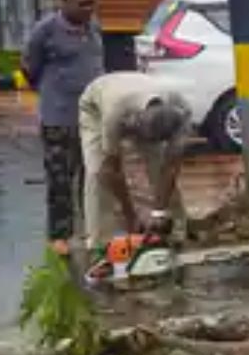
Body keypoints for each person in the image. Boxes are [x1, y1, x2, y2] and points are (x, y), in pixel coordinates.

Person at [22, 0, 104, 255]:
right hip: (59, 119)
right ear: (65, 1)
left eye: (92, 4)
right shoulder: (45, 31)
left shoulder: (94, 28)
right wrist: (52, 92)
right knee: (60, 181)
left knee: (92, 177)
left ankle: (91, 231)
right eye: (82, 4)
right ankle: (59, 237)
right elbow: (30, 68)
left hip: (91, 119)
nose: (88, 9)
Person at [78, 72, 192, 257]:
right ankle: (99, 241)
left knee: (159, 166)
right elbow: (111, 170)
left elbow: (171, 166)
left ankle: (175, 230)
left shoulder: (182, 111)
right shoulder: (114, 114)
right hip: (96, 104)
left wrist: (158, 213)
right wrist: (130, 214)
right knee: (96, 171)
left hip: (138, 94)